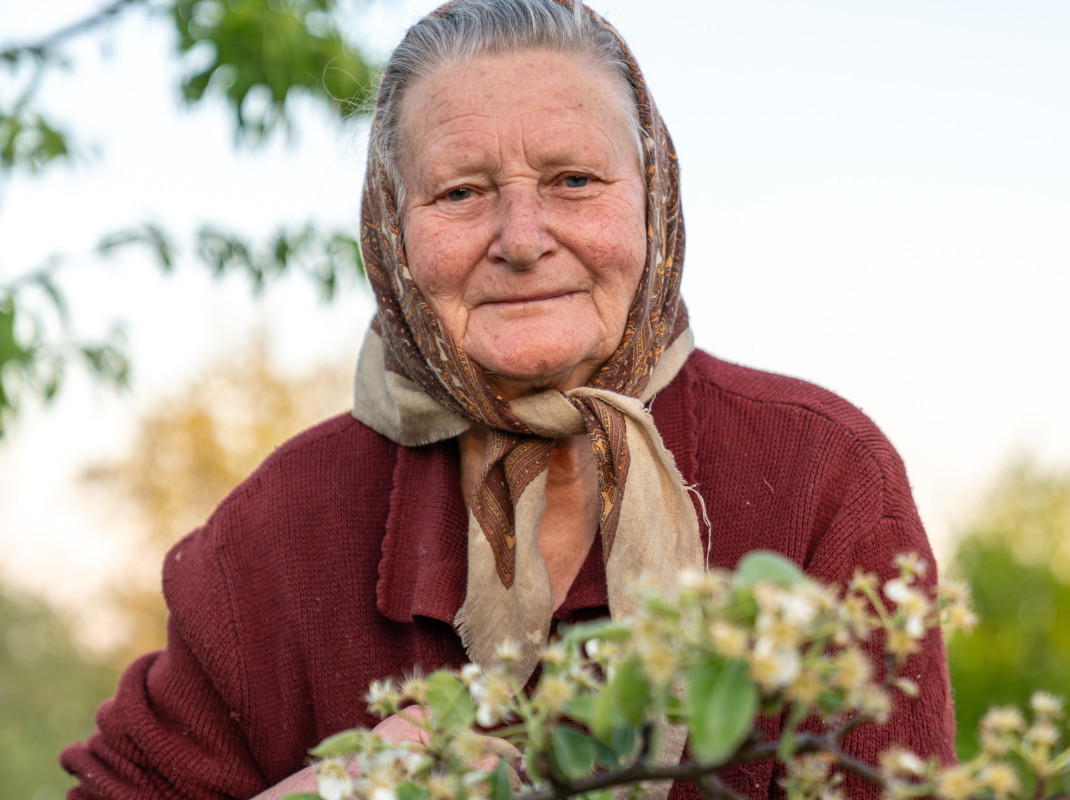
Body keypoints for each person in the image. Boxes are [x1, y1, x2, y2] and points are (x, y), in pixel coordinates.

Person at [61, 1, 956, 797]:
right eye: (461, 192)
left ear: (653, 204)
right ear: (392, 231)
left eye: (575, 180)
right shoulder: (278, 531)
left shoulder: (821, 476)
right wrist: (335, 791)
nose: (522, 240)